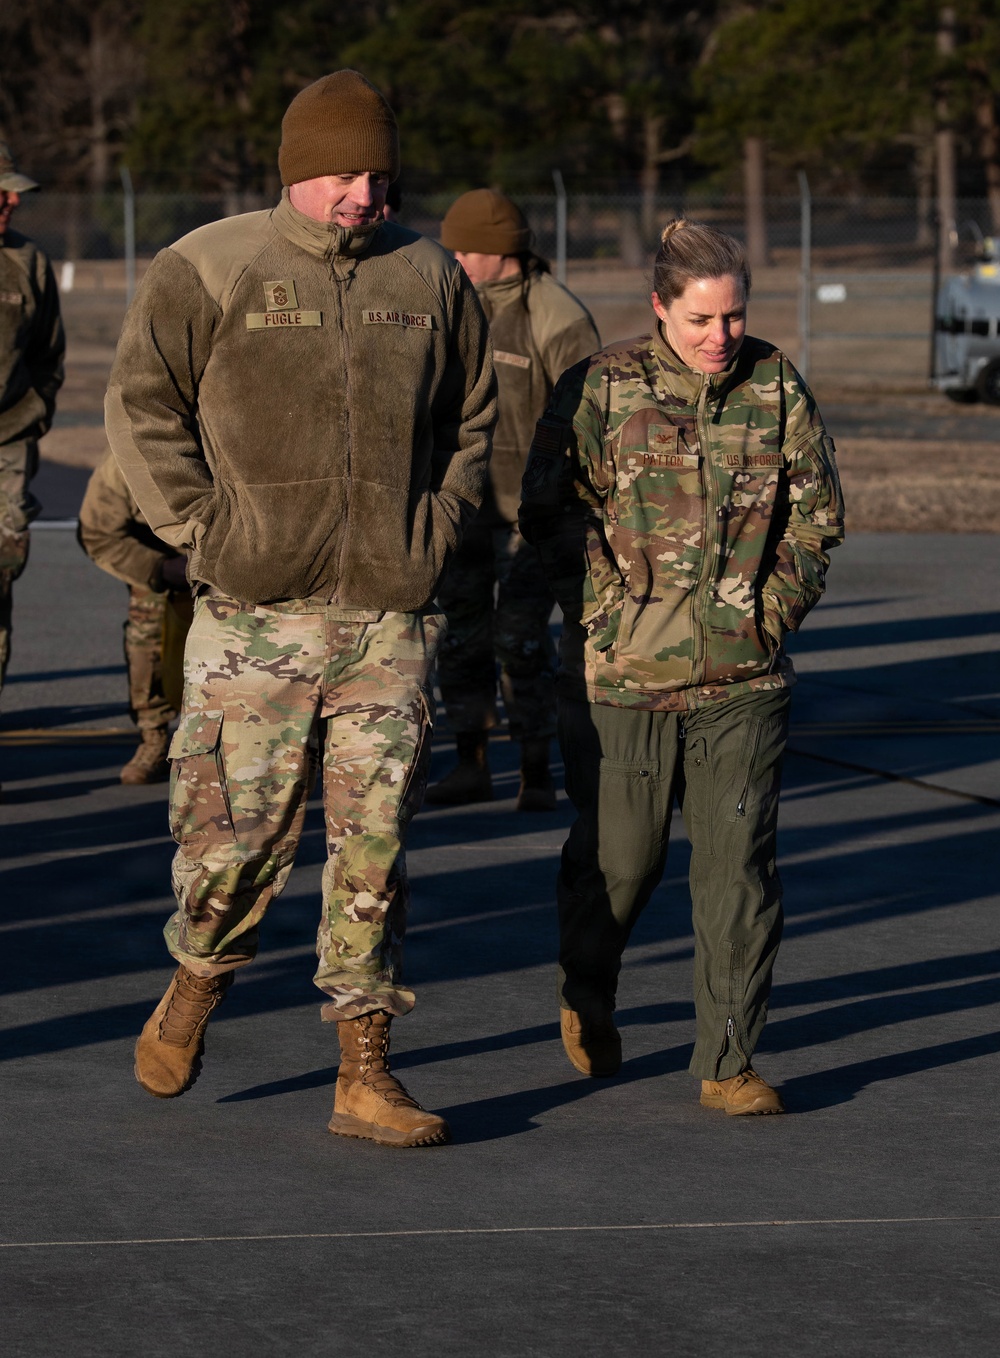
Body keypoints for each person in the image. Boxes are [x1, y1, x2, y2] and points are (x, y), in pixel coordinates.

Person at [107, 70, 496, 1147]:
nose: (365, 195)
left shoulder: (427, 274)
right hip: (255, 613)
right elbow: (141, 403)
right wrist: (204, 528)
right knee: (232, 841)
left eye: (380, 175)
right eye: (343, 175)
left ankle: (365, 1070)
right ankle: (197, 975)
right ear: (296, 173)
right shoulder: (209, 264)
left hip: (387, 612)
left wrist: (437, 526)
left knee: (375, 845)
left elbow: (471, 417)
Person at [520, 219, 844, 1115]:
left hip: (743, 681)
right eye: (701, 318)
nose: (720, 336)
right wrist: (604, 610)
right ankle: (587, 986)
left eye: (733, 316)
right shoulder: (602, 386)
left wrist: (767, 615)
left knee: (738, 872)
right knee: (624, 862)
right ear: (660, 307)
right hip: (624, 678)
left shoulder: (775, 385)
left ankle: (728, 1061)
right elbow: (548, 509)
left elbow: (816, 519)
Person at [427, 189, 598, 810]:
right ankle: (470, 761)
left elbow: (589, 418)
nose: (456, 259)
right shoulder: (448, 300)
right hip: (462, 503)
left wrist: (567, 507)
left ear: (501, 250)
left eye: (466, 249)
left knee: (520, 638)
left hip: (532, 515)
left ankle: (535, 770)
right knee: (460, 636)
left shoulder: (554, 314)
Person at [78, 449, 193, 784]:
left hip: (237, 554)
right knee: (147, 627)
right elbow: (98, 532)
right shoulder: (124, 459)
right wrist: (160, 569)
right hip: (166, 559)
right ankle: (153, 735)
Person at [0, 141, 65, 715]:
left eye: (14, 192)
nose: (12, 201)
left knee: (2, 574)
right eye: (1, 192)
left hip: (6, 448)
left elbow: (48, 356)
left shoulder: (27, 262)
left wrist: (30, 416)